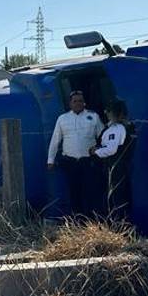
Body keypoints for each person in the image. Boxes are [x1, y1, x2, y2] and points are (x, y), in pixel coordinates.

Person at [47, 90, 103, 219]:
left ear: (84, 102)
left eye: (80, 101)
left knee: (90, 191)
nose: (78, 103)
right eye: (75, 101)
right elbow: (56, 139)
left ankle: (93, 221)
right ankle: (77, 221)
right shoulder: (63, 119)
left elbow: (102, 137)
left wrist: (100, 150)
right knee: (74, 191)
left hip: (89, 161)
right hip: (70, 162)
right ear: (70, 104)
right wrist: (50, 160)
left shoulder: (93, 116)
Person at [91, 99, 136, 221]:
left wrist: (95, 151)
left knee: (116, 197)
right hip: (120, 167)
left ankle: (118, 225)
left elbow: (111, 149)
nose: (106, 113)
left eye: (108, 111)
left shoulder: (116, 128)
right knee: (119, 196)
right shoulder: (126, 126)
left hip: (114, 167)